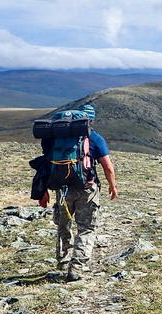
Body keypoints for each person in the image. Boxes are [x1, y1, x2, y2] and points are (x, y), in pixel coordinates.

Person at [38, 103, 118, 281]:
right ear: (90, 120)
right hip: (86, 189)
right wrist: (112, 185)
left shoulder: (55, 137)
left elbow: (46, 165)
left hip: (63, 189)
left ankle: (64, 262)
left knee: (63, 225)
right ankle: (77, 267)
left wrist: (43, 190)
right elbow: (107, 166)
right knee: (87, 228)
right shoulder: (94, 138)